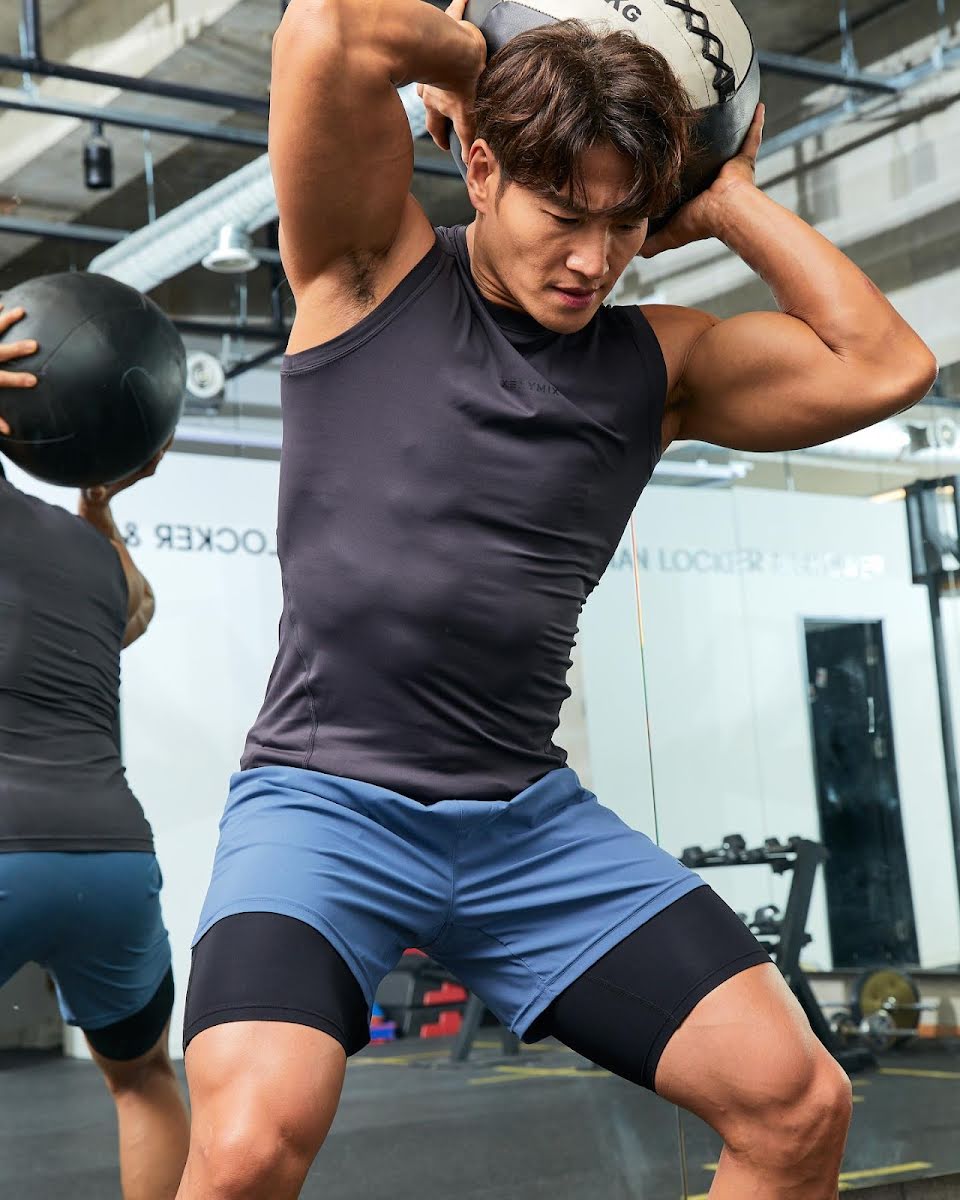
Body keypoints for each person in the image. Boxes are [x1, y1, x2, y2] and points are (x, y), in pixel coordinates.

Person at [176, 4, 938, 1198]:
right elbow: (328, 29)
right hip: (324, 810)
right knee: (245, 1149)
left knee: (800, 1106)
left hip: (528, 830)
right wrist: (496, 66)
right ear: (480, 169)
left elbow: (887, 365)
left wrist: (729, 199)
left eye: (626, 221)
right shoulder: (369, 271)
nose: (593, 258)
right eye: (564, 214)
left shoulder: (657, 366)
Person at [0, 304, 189, 1200]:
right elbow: (136, 611)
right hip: (109, 859)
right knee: (143, 1077)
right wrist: (98, 505)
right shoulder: (93, 557)